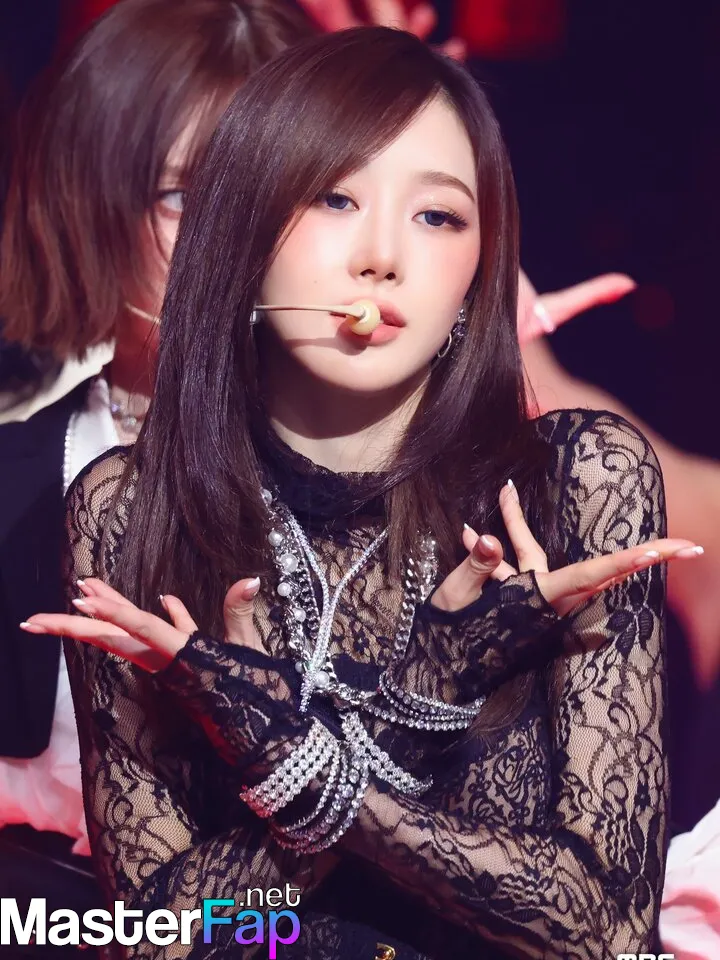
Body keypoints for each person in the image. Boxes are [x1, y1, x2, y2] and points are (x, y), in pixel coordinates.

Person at [24, 26, 702, 959]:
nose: (382, 256)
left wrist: (313, 760)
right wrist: (416, 703)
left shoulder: (574, 480)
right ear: (244, 227)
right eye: (334, 197)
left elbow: (606, 931)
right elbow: (154, 939)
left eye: (438, 217)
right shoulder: (129, 507)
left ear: (480, 268)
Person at [0, 0, 314, 949]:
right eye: (186, 198)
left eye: (284, 196)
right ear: (91, 203)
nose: (237, 242)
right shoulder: (23, 480)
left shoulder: (409, 485)